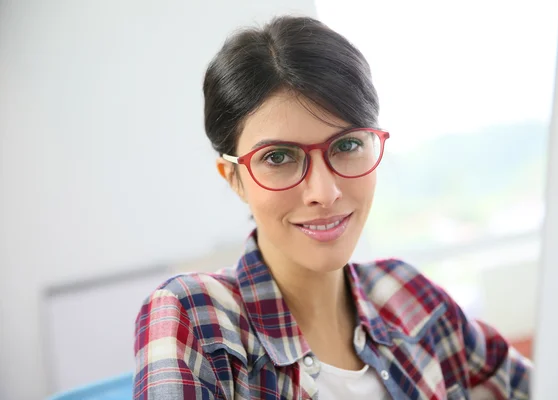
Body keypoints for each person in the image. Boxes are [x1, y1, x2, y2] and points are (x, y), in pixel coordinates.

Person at [133, 15, 532, 400]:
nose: (324, 193)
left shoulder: (409, 296)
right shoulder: (195, 316)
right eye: (278, 157)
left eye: (346, 145)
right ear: (233, 177)